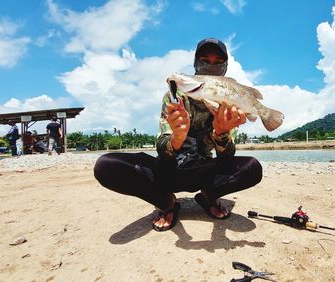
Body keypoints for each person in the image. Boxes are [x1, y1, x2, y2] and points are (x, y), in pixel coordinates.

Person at [94, 38, 263, 232]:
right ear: (195, 64)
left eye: (218, 63)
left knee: (252, 168)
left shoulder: (229, 103)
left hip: (204, 171)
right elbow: (162, 146)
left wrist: (222, 133)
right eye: (205, 60)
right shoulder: (175, 97)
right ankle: (165, 201)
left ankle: (208, 195)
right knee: (105, 166)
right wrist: (177, 138)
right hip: (169, 170)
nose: (210, 66)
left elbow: (226, 157)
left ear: (225, 68)